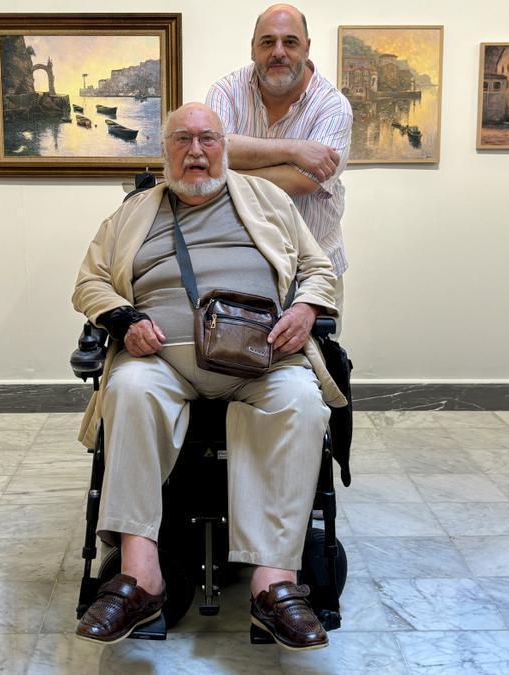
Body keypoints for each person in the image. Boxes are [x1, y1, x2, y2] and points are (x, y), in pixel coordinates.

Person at [71, 102, 347, 651]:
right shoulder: (130, 214)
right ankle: (140, 576)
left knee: (300, 400)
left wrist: (306, 310)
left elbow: (318, 268)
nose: (195, 152)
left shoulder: (267, 199)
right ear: (165, 149)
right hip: (160, 361)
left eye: (207, 139)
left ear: (224, 146)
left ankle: (274, 586)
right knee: (125, 388)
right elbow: (89, 283)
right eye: (182, 140)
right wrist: (122, 318)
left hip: (259, 355)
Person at [206, 3, 353, 313]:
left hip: (311, 272)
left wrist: (227, 171)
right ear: (252, 48)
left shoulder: (333, 107)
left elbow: (304, 182)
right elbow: (215, 151)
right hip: (239, 271)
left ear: (307, 48)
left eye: (290, 42)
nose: (278, 52)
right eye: (267, 41)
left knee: (316, 361)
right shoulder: (225, 92)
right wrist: (295, 150)